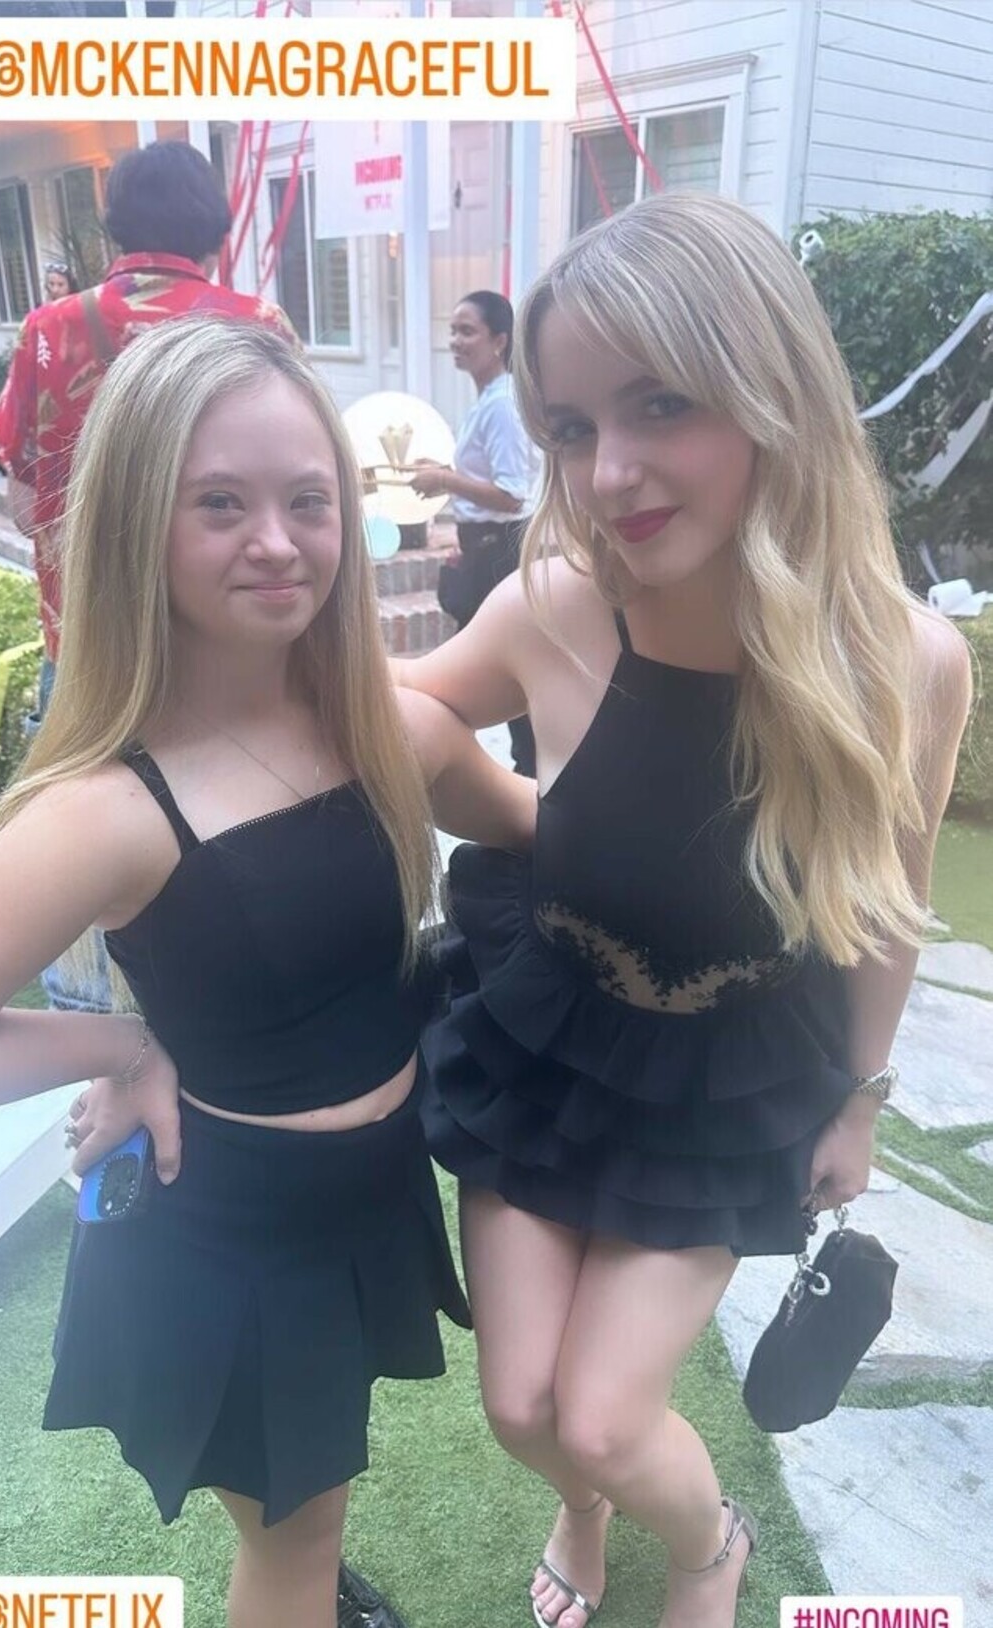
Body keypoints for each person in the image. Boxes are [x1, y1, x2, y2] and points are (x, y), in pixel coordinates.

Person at [397, 193, 972, 1628]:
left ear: (773, 394)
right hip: (547, 1034)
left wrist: (859, 1102)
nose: (610, 471)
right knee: (524, 1407)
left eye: (662, 403)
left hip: (728, 1072)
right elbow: (406, 710)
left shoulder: (906, 664)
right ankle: (581, 1512)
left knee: (601, 1414)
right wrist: (517, 806)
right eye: (571, 426)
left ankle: (709, 1546)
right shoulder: (552, 605)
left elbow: (886, 904)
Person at [0, 316, 536, 1628]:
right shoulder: (103, 809)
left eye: (308, 499)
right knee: (290, 1548)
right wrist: (124, 1048)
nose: (277, 540)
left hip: (370, 1195)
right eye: (220, 504)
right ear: (140, 520)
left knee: (310, 1514)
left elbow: (545, 832)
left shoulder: (387, 725)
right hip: (232, 1236)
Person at [0, 140, 296, 1015]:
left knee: (82, 887)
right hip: (234, 663)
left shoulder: (50, 331)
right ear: (214, 225)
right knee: (239, 876)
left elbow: (24, 499)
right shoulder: (258, 327)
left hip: (90, 655)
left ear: (115, 221)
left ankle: (112, 1064)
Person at [409, 289, 539, 775]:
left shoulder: (503, 404)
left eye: (467, 331)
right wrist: (444, 472)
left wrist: (445, 480)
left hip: (500, 552)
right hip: (484, 548)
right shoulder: (489, 399)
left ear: (499, 341)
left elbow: (512, 494)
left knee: (505, 674)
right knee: (493, 672)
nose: (455, 341)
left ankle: (526, 778)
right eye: (453, 331)